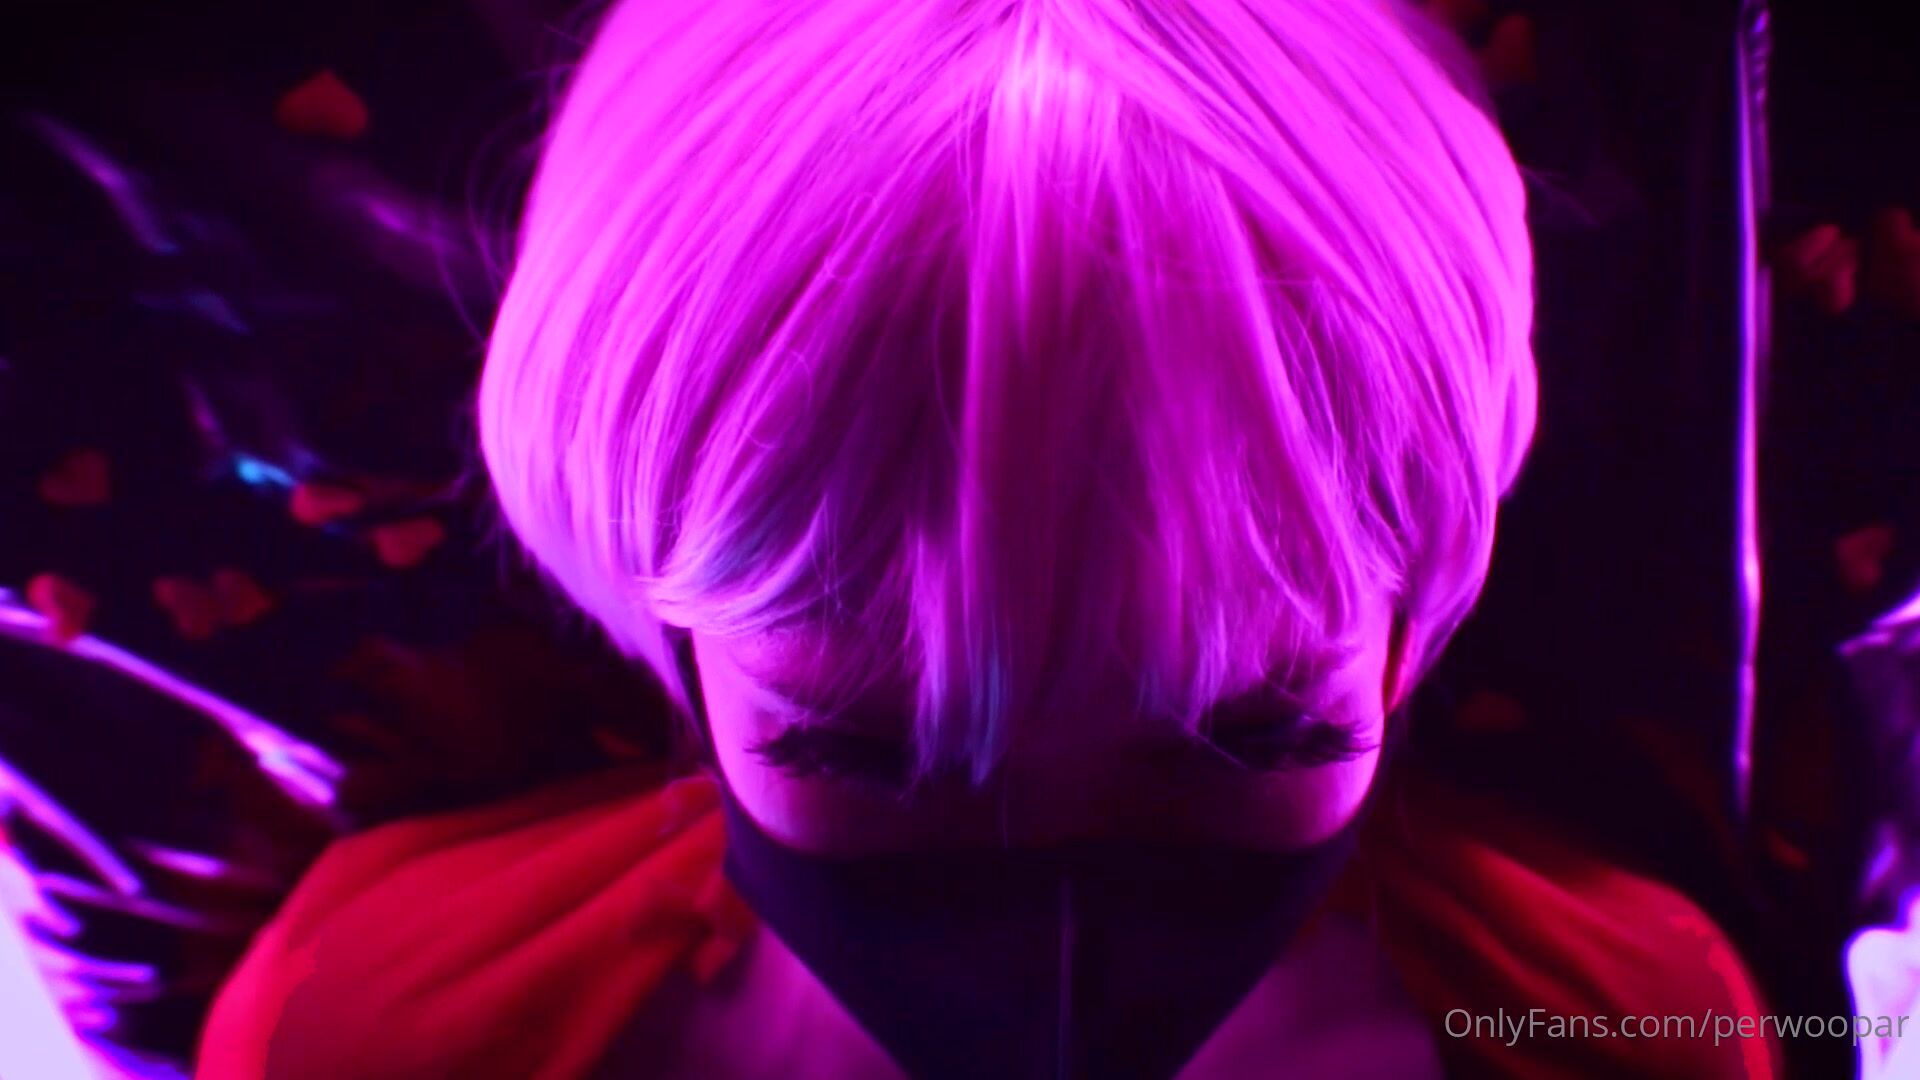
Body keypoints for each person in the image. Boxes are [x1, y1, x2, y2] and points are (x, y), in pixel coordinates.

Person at [194, 0, 1782, 1076]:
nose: (1059, 905)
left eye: (1250, 733)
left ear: (1410, 632)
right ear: (663, 632)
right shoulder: (369, 1037)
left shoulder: (1639, 1037)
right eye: (865, 751)